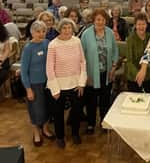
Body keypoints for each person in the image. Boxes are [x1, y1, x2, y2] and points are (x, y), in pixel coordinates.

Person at [47, 19, 87, 147]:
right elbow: (49, 67)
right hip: (59, 85)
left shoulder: (77, 41)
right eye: (64, 28)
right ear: (59, 29)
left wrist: (82, 83)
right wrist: (54, 89)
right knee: (58, 113)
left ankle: (75, 133)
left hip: (76, 84)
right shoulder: (53, 44)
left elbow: (83, 62)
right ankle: (60, 137)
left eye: (69, 28)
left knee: (76, 111)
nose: (67, 30)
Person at [80, 8, 119, 134]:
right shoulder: (86, 34)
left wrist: (113, 68)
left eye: (102, 20)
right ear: (93, 20)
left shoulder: (110, 33)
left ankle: (104, 122)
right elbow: (82, 55)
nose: (100, 22)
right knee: (91, 101)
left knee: (105, 100)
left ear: (105, 21)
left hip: (106, 73)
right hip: (91, 74)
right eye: (98, 19)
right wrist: (85, 75)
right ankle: (91, 124)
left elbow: (115, 51)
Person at [20, 20, 55, 146]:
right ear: (32, 33)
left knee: (47, 107)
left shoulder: (47, 43)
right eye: (38, 31)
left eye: (43, 31)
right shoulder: (28, 48)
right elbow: (23, 71)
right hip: (34, 84)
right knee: (35, 109)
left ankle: (45, 128)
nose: (41, 34)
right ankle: (36, 132)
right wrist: (28, 89)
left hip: (48, 82)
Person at [126, 13, 150, 93]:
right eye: (139, 24)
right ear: (135, 25)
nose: (141, 27)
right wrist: (138, 75)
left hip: (148, 76)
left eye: (143, 24)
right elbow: (129, 61)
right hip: (134, 77)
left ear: (146, 25)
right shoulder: (131, 39)